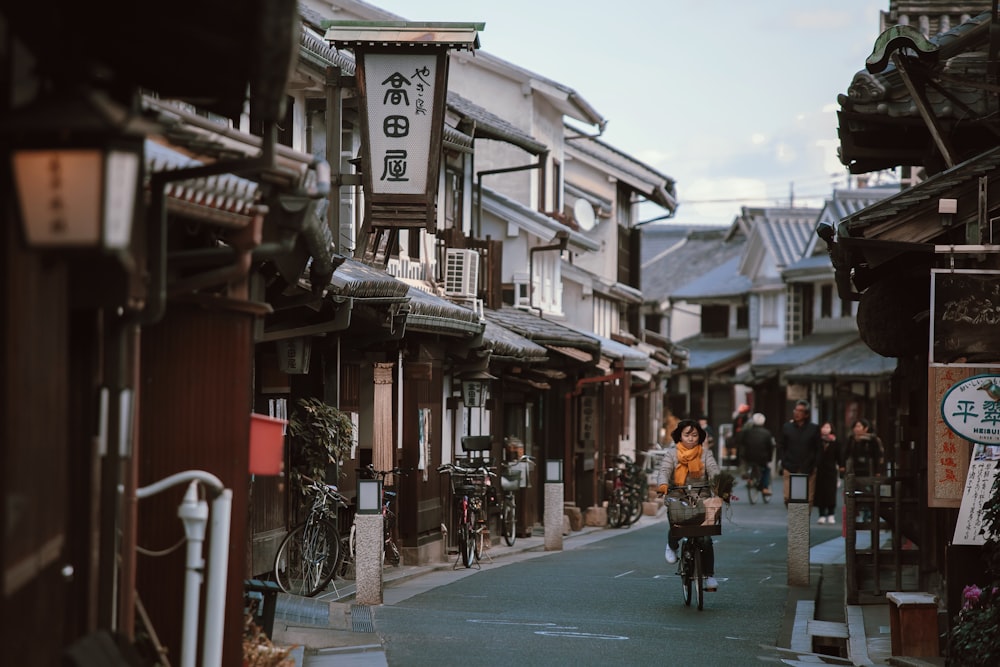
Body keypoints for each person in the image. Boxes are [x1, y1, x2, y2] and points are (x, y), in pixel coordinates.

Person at [655, 419, 722, 591]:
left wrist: (721, 486)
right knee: (679, 526)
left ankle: (710, 576)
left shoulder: (705, 454)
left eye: (694, 435)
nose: (691, 439)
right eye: (687, 435)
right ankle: (672, 545)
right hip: (678, 497)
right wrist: (663, 485)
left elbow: (714, 472)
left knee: (705, 538)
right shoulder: (672, 454)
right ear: (680, 436)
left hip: (702, 498)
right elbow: (664, 471)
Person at [777, 400, 822, 507]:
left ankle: (803, 522)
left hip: (808, 467)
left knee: (807, 499)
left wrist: (815, 464)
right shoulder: (787, 427)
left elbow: (818, 448)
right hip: (790, 465)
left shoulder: (813, 428)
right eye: (796, 410)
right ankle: (795, 521)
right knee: (789, 497)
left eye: (801, 411)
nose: (797, 413)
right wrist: (784, 462)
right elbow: (781, 446)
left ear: (806, 414)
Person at [739, 412, 775, 496]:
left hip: (748, 456)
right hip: (762, 457)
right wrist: (769, 458)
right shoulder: (767, 433)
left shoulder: (747, 432)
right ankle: (764, 488)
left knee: (748, 464)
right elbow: (770, 447)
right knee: (766, 470)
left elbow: (742, 443)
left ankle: (750, 479)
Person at [814, 422, 840, 524]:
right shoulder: (817, 441)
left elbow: (839, 456)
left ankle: (831, 514)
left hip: (831, 470)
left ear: (831, 429)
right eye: (824, 427)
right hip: (819, 470)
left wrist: (841, 467)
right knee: (820, 492)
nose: (825, 429)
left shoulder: (835, 441)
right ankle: (821, 514)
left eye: (828, 427)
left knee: (831, 493)